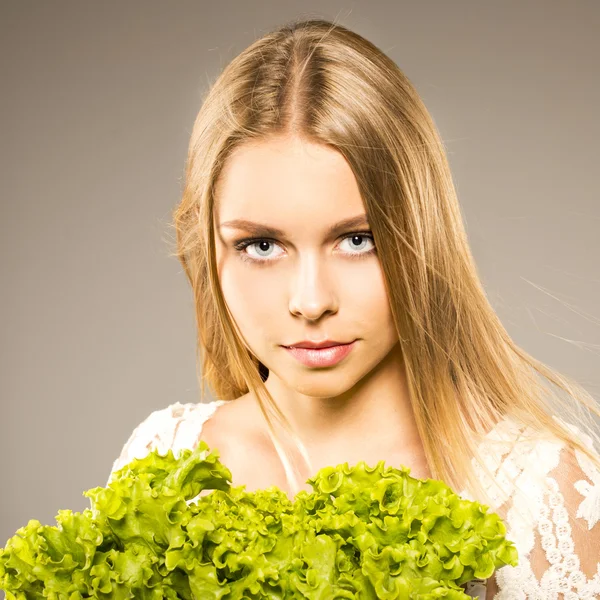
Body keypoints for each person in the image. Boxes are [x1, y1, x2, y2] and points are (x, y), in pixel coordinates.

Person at [107, 18, 600, 599]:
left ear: (423, 239)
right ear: (207, 248)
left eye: (357, 239)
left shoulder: (540, 490)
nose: (311, 302)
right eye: (261, 246)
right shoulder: (164, 459)